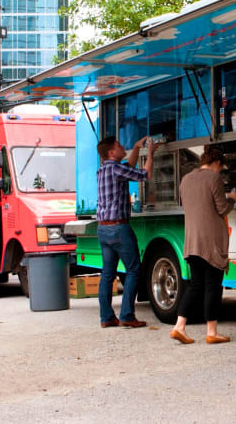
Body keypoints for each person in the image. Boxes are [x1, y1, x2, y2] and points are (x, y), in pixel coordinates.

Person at [170, 146, 236, 345]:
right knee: (213, 287)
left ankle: (180, 326)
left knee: (195, 286)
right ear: (216, 163)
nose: (220, 171)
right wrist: (232, 199)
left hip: (192, 241)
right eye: (221, 167)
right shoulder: (214, 179)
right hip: (211, 243)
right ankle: (212, 332)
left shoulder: (186, 179)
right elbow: (222, 208)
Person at [96, 136, 160, 328]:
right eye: (119, 145)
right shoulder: (116, 168)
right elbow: (144, 175)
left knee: (107, 274)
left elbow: (128, 167)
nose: (121, 146)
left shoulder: (103, 170)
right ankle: (127, 315)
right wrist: (150, 152)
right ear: (111, 152)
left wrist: (135, 147)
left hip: (103, 228)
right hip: (118, 227)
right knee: (133, 270)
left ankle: (106, 318)